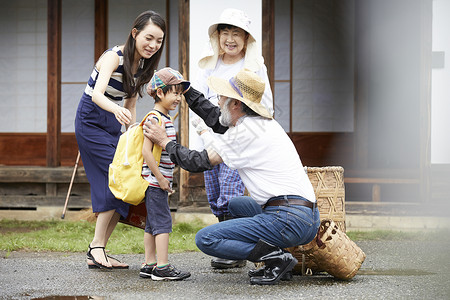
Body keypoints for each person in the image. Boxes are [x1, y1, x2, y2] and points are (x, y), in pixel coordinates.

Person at [144, 69, 320, 285]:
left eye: (221, 97)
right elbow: (217, 120)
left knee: (206, 238)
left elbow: (196, 162)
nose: (217, 102)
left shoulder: (246, 134)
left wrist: (166, 143)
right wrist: (187, 91)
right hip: (308, 217)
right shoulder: (259, 124)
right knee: (236, 205)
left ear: (235, 104)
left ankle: (275, 258)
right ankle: (278, 258)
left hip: (289, 220)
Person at [74, 10, 166, 270]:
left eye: (158, 41)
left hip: (115, 123)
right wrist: (116, 112)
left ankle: (98, 248)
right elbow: (97, 95)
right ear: (135, 33)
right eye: (149, 38)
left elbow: (131, 103)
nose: (153, 45)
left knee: (125, 179)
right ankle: (96, 248)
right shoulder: (113, 57)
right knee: (115, 180)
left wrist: (132, 133)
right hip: (91, 120)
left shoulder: (145, 67)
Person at [191, 8, 274, 269]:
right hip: (212, 140)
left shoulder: (254, 66)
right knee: (215, 194)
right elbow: (198, 102)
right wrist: (203, 136)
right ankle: (229, 245)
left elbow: (266, 104)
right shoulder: (209, 65)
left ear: (246, 38)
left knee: (231, 192)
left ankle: (235, 250)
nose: (230, 38)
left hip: (240, 141)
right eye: (225, 32)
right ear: (217, 36)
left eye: (236, 33)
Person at [139, 67, 191, 281]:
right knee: (162, 222)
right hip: (155, 181)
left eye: (180, 93)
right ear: (160, 93)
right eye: (175, 92)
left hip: (155, 181)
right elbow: (145, 151)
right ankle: (162, 267)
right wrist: (161, 178)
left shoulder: (162, 117)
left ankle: (149, 263)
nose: (179, 98)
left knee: (152, 223)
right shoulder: (156, 118)